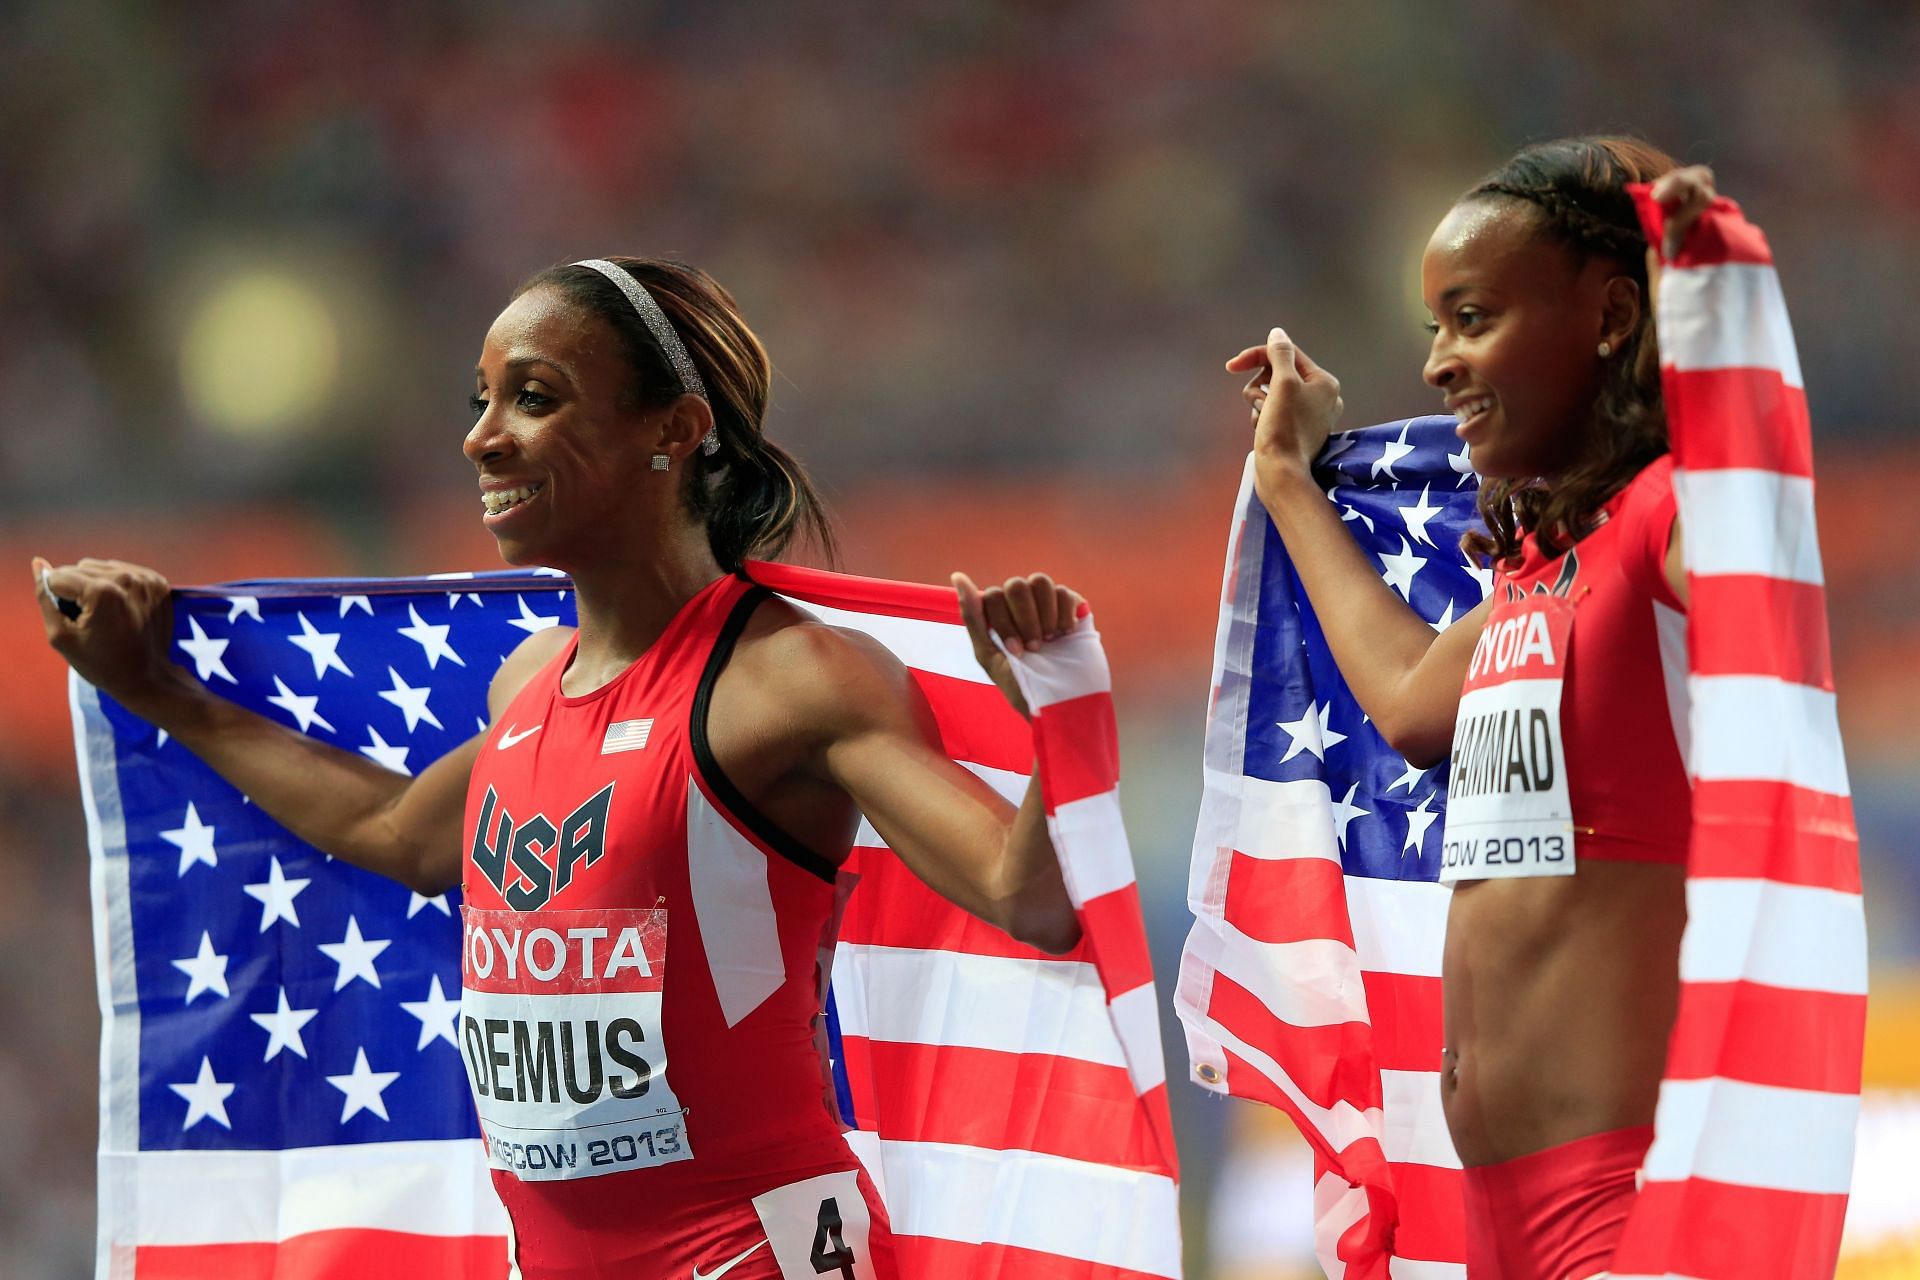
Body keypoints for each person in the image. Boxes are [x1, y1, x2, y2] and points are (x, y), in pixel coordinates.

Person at [34, 256, 1092, 1280]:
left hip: (750, 1249)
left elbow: (1027, 893)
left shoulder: (791, 678)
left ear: (673, 431)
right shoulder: (531, 681)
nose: (481, 438)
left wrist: (1057, 711)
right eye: (482, 398)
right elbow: (400, 833)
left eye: (532, 398)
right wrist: (156, 690)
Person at [1224, 140, 1720, 1279]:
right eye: (1434, 326)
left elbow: (1771, 552)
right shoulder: (1546, 564)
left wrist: (1718, 330)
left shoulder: (1670, 518)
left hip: (1633, 1203)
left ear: (1608, 318)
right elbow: (1403, 703)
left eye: (1473, 316)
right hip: (1497, 1218)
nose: (1440, 362)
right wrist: (1291, 481)